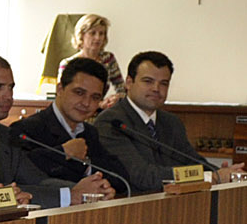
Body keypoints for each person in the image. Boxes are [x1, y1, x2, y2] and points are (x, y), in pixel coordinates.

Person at [0, 53, 110, 208]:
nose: (8, 96)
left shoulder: (5, 134)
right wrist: (70, 196)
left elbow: (38, 180)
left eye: (10, 87)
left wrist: (89, 189)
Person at [92, 51, 218, 192]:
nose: (156, 89)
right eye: (148, 81)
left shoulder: (171, 122)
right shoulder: (111, 122)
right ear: (129, 82)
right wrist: (206, 176)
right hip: (131, 207)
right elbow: (142, 176)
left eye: (163, 83)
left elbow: (193, 161)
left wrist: (221, 173)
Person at [14, 56, 128, 192]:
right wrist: (63, 152)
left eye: (95, 97)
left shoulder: (89, 132)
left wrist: (89, 169)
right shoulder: (26, 129)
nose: (86, 103)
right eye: (79, 93)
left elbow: (122, 179)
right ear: (60, 89)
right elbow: (20, 173)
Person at [56, 13, 124, 98]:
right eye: (92, 33)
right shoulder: (67, 63)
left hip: (101, 108)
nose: (98, 38)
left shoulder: (108, 59)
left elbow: (122, 89)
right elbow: (62, 95)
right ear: (81, 35)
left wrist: (116, 98)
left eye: (101, 33)